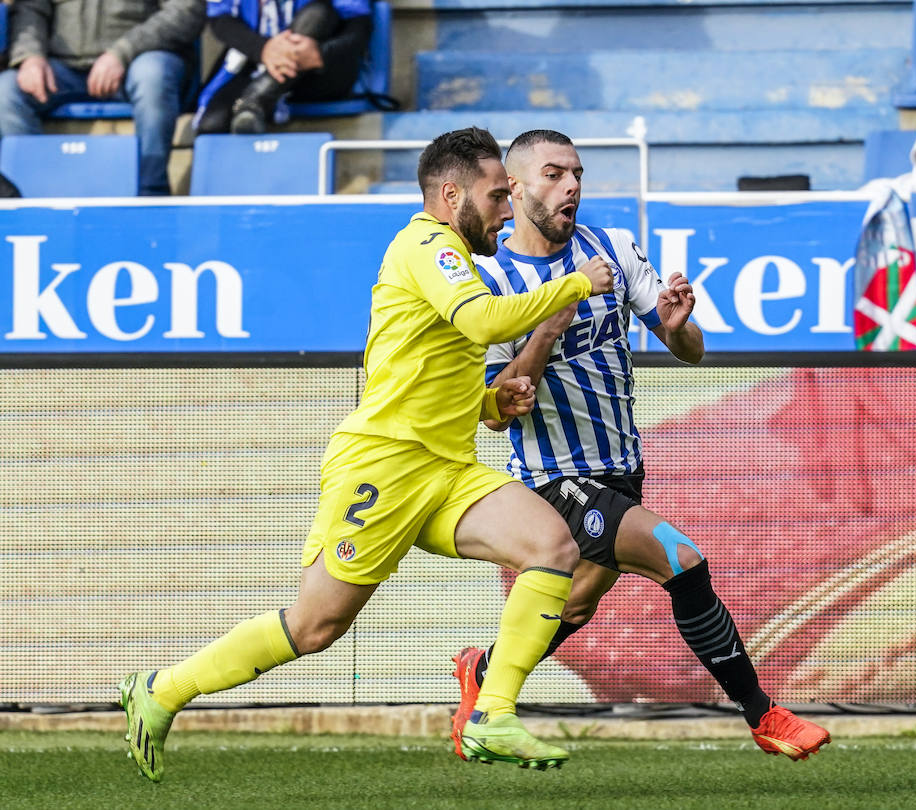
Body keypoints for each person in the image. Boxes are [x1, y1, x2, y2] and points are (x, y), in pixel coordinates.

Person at [117, 128, 615, 781]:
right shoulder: (425, 245)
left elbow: (439, 370)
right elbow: (484, 324)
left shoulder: (457, 259)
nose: (507, 207)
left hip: (445, 466)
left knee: (552, 548)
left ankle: (492, 713)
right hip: (384, 465)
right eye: (498, 195)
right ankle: (162, 689)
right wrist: (574, 284)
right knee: (317, 626)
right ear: (449, 194)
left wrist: (494, 404)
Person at [450, 129, 832, 762]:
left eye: (576, 173)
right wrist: (550, 322)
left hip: (623, 472)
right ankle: (763, 714)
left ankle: (483, 671)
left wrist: (679, 331)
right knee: (682, 559)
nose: (570, 185)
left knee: (570, 611)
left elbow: (691, 349)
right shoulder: (489, 282)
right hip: (554, 479)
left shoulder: (611, 248)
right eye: (553, 173)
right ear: (513, 187)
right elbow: (499, 410)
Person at [0, 0, 204, 195]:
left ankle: (150, 192)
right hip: (62, 69)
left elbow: (186, 9)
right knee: (6, 90)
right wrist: (30, 56)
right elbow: (30, 9)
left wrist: (122, 52)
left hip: (138, 61)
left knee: (152, 75)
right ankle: (34, 193)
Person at [194, 0, 372, 134]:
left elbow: (359, 26)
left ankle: (256, 99)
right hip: (255, 61)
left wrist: (322, 54)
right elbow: (220, 20)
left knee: (317, 14)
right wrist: (264, 49)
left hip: (318, 71)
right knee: (212, 124)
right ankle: (255, 99)